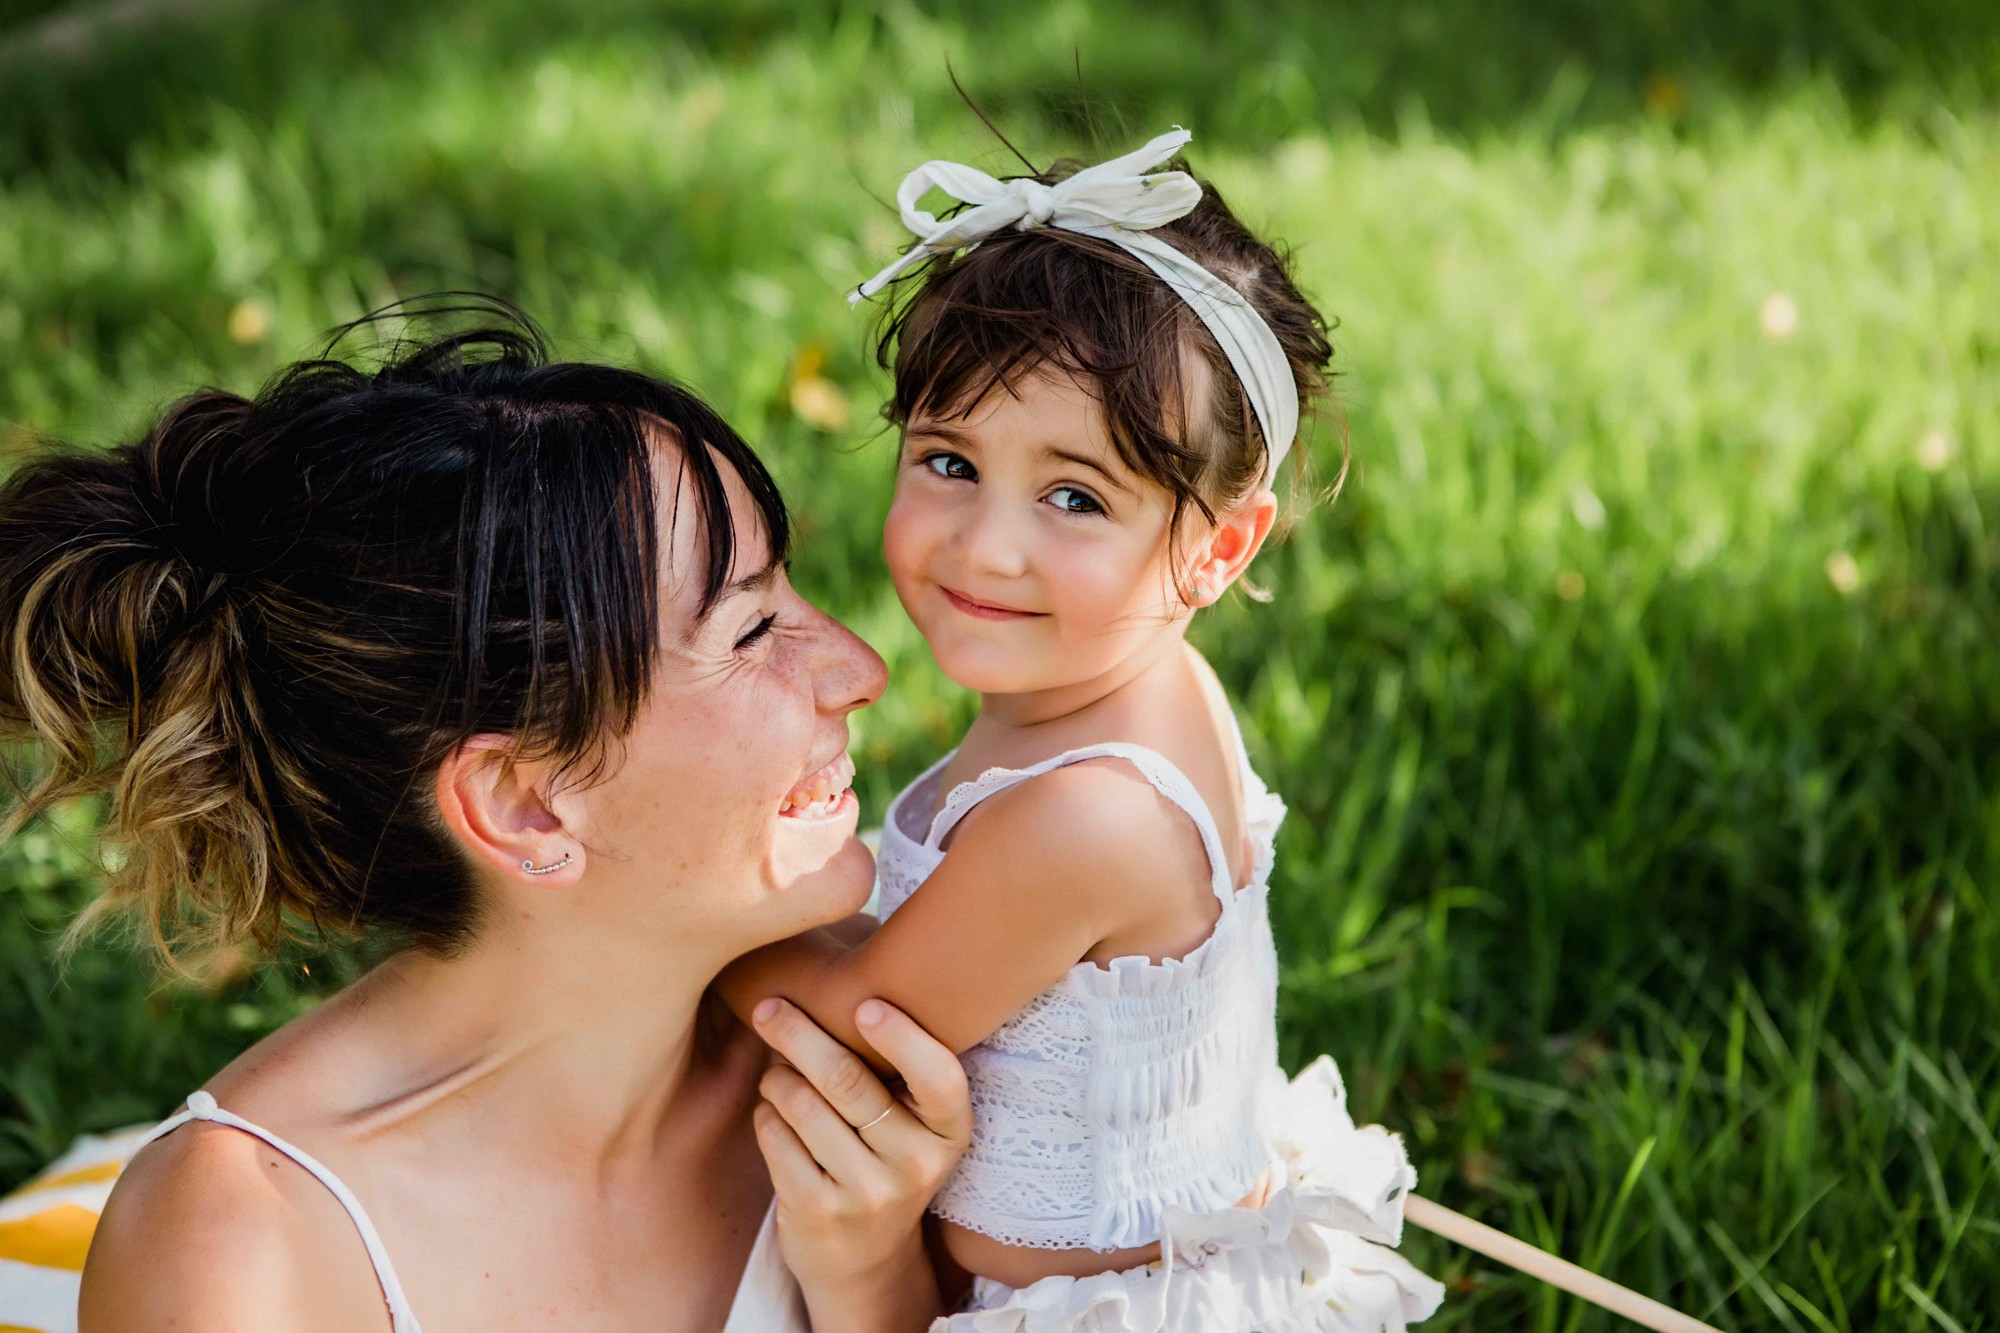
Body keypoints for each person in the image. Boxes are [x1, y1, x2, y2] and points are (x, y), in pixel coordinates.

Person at [0, 306, 971, 1332]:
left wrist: (872, 1277)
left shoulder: (878, 1035)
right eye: (753, 628)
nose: (860, 668)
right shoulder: (252, 1253)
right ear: (523, 805)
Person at [718, 132, 1448, 1330]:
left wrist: (699, 927)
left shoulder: (1087, 817)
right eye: (948, 461)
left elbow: (851, 1032)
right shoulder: (1142, 685)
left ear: (1217, 548)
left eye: (1073, 496)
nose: (986, 546)